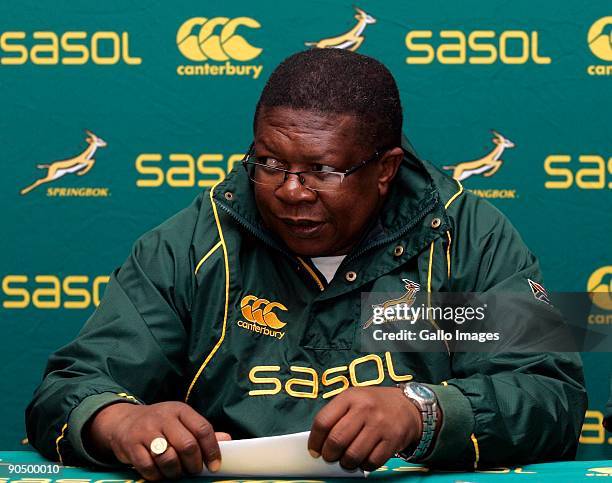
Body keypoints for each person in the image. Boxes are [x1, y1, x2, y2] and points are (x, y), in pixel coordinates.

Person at [26, 48, 587, 480]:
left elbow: (551, 396)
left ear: (385, 169)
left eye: (323, 171)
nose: (290, 192)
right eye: (268, 162)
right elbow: (73, 385)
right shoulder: (197, 242)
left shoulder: (465, 238)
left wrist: (425, 412)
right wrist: (117, 420)